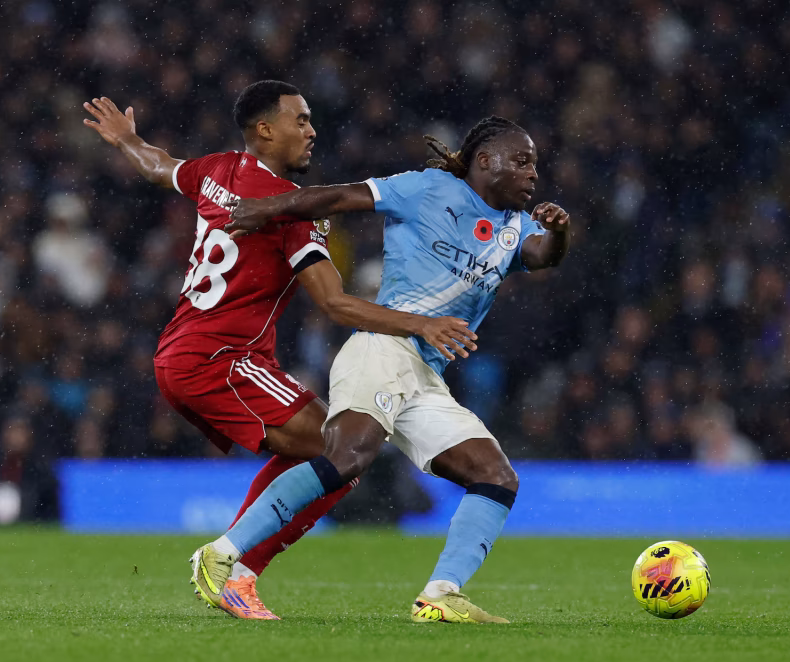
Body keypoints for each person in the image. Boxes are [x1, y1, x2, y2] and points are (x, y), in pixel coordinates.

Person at [81, 81, 476, 620]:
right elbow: (334, 303)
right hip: (221, 358)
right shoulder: (289, 212)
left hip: (183, 352)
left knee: (331, 453)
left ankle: (234, 566)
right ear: (265, 129)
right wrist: (421, 325)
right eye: (301, 120)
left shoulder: (218, 170)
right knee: (342, 453)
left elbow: (158, 166)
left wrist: (127, 139)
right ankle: (234, 568)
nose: (312, 131)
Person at [209, 116, 573, 623]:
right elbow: (339, 197)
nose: (533, 172)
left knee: (495, 476)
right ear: (486, 160)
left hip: (425, 376)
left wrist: (558, 232)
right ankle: (222, 554)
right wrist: (268, 208)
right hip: (382, 348)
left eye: (534, 163)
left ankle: (441, 593)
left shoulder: (517, 226)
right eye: (522, 161)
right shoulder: (427, 189)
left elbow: (544, 256)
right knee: (347, 457)